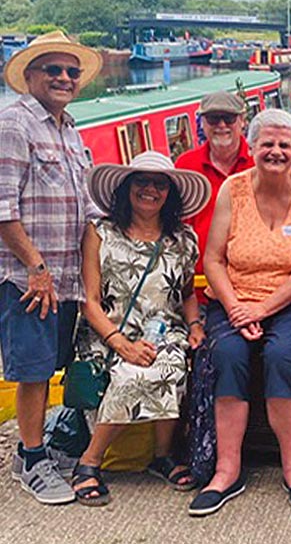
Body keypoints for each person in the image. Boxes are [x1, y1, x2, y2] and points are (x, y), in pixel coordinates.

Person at [189, 110, 291, 517]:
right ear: (250, 148)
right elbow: (213, 260)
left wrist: (263, 308)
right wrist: (236, 308)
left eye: (284, 144)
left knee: (281, 352)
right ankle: (226, 470)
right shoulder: (232, 189)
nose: (275, 151)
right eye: (266, 144)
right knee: (229, 354)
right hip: (236, 301)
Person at [71, 151, 211, 505]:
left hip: (162, 332)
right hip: (106, 332)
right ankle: (89, 461)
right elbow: (89, 299)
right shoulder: (100, 233)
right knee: (132, 372)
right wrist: (120, 343)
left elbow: (186, 292)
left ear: (170, 193)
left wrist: (194, 325)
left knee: (171, 364)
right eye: (141, 181)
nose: (150, 189)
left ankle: (162, 455)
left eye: (159, 184)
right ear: (125, 188)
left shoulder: (182, 238)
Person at [0, 31, 102, 505]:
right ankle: (32, 458)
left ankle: (33, 449)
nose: (64, 78)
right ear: (31, 76)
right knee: (34, 369)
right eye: (53, 70)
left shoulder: (70, 130)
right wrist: (35, 268)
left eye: (71, 71)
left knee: (53, 363)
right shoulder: (14, 124)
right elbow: (2, 209)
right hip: (29, 278)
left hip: (66, 278)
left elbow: (86, 208)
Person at [174, 90, 253, 302]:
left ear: (242, 121)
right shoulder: (185, 166)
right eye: (213, 119)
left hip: (251, 289)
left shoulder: (260, 164)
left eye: (229, 118)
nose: (221, 125)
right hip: (197, 292)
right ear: (202, 123)